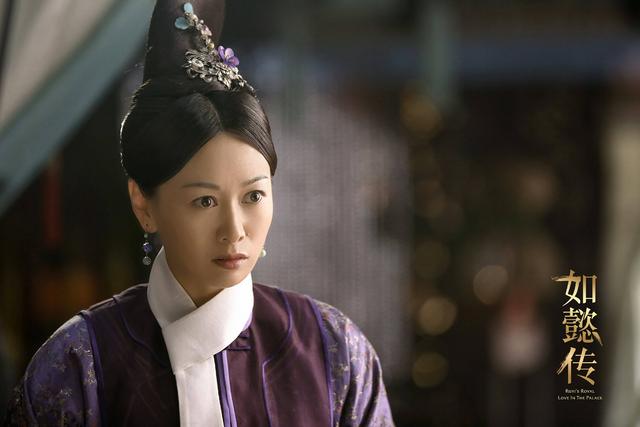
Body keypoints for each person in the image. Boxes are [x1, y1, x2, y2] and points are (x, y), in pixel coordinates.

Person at [3, 0, 394, 425]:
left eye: (253, 196)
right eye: (204, 201)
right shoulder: (78, 364)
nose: (234, 230)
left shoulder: (334, 350)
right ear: (143, 204)